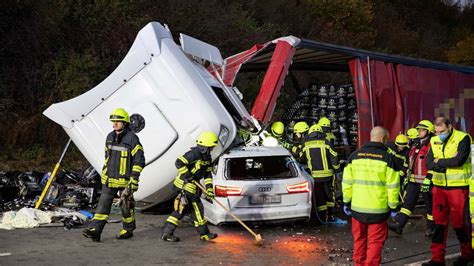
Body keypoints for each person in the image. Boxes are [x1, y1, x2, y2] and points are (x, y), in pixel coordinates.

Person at [83, 108, 145, 242]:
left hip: (125, 181)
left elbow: (139, 161)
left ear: (125, 123)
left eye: (118, 121)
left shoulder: (132, 138)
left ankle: (128, 230)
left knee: (126, 208)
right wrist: (104, 173)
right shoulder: (110, 137)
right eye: (113, 121)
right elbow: (107, 157)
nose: (114, 124)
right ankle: (96, 231)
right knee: (102, 205)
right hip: (109, 179)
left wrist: (134, 179)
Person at [342, 126, 400, 266]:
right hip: (378, 211)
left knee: (359, 240)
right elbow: (392, 187)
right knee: (375, 242)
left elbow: (347, 183)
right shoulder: (388, 159)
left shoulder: (354, 156)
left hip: (357, 209)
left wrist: (346, 202)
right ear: (382, 139)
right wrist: (393, 207)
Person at [423, 117, 473, 266]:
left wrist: (439, 162)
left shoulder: (463, 138)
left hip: (458, 187)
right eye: (437, 132)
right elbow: (428, 163)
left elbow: (459, 161)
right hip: (439, 187)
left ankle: (467, 254)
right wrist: (443, 164)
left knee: (459, 224)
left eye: (442, 131)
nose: (439, 135)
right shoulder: (433, 140)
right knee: (439, 224)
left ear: (450, 127)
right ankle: (437, 259)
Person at [161, 131, 219, 242]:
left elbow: (207, 174)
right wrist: (189, 176)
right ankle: (204, 234)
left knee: (184, 211)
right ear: (205, 146)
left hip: (193, 186)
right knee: (193, 209)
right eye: (211, 147)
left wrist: (209, 189)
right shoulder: (194, 154)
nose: (212, 149)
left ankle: (167, 233)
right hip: (184, 185)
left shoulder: (207, 157)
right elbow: (179, 162)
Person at [389, 120, 435, 237]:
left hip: (426, 181)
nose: (419, 131)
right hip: (413, 180)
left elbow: (434, 162)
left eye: (422, 130)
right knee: (407, 204)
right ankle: (399, 225)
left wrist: (429, 178)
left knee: (429, 206)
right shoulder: (416, 144)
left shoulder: (433, 144)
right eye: (419, 129)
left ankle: (432, 228)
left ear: (429, 132)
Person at [299, 124, 340, 222]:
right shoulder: (327, 142)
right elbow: (334, 156)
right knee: (329, 195)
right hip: (328, 176)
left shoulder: (306, 145)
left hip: (315, 177)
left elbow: (301, 159)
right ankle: (331, 215)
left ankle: (322, 217)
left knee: (319, 196)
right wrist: (337, 169)